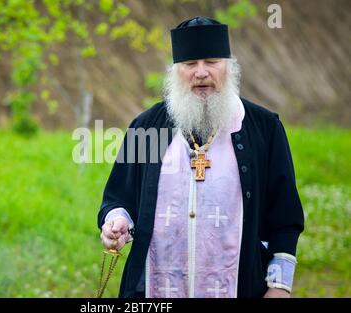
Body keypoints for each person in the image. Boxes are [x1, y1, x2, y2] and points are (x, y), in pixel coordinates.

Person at [97, 17, 304, 298]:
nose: (201, 73)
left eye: (211, 61)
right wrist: (117, 222)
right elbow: (119, 198)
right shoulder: (146, 127)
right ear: (176, 72)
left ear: (229, 68)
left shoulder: (264, 128)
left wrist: (279, 286)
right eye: (190, 64)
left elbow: (285, 218)